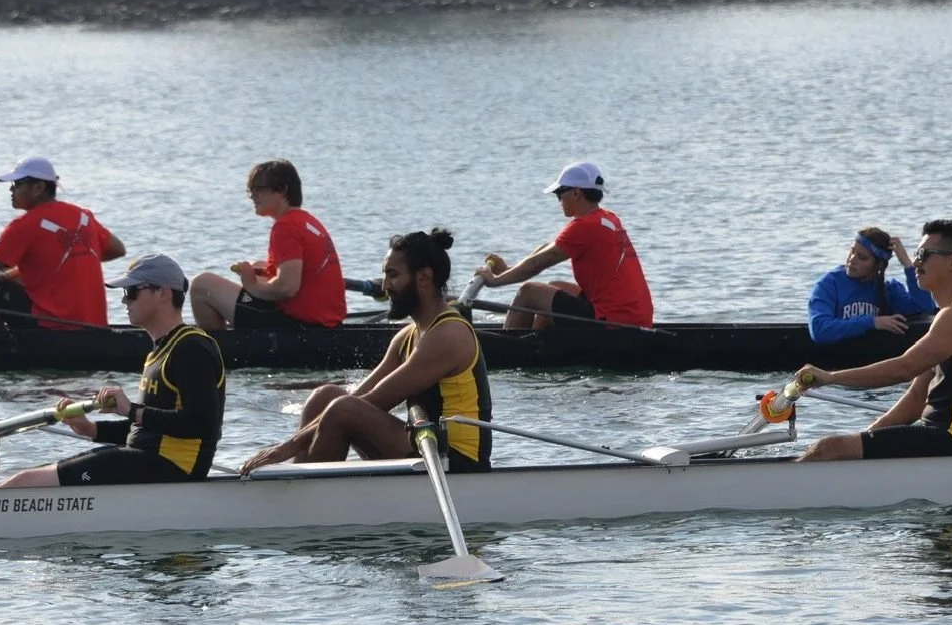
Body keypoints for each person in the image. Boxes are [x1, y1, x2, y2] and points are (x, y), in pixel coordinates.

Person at [240, 229, 492, 474]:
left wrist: (289, 445)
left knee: (343, 410)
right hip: (425, 444)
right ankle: (301, 483)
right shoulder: (407, 336)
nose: (385, 285)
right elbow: (364, 392)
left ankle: (312, 502)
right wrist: (293, 443)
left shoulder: (448, 335)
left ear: (423, 278)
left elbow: (379, 399)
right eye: (385, 275)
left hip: (457, 461)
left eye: (393, 275)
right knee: (324, 396)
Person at [0, 254, 223, 487]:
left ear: (163, 293)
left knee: (25, 482)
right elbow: (149, 428)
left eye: (132, 292)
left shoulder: (191, 348)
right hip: (148, 460)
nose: (125, 301)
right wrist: (90, 428)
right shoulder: (160, 351)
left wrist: (130, 410)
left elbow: (201, 422)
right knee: (30, 478)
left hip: (173, 468)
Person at [795, 220, 952, 461]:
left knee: (827, 449)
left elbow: (905, 368)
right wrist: (867, 437)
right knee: (839, 448)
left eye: (924, 254)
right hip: (938, 436)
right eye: (916, 254)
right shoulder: (948, 316)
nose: (916, 262)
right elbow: (916, 400)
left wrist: (830, 378)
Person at [0, 157, 126, 330]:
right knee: (4, 277)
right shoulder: (83, 216)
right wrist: (68, 263)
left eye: (17, 184)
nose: (11, 190)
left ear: (38, 187)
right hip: (93, 325)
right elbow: (118, 249)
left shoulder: (24, 226)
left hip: (52, 327)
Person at [476, 161, 653, 329]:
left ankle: (509, 353)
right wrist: (508, 269)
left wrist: (495, 281)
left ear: (576, 193)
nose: (558, 200)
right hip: (635, 316)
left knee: (528, 291)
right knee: (554, 287)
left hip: (615, 323)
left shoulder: (585, 226)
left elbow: (539, 263)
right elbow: (548, 248)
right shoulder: (607, 218)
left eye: (560, 193)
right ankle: (536, 346)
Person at [189, 159, 347, 331]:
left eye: (258, 189)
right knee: (259, 268)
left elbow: (287, 288)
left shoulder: (285, 227)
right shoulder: (308, 221)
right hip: (325, 323)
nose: (252, 196)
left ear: (282, 190)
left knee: (201, 285)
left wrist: (252, 285)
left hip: (297, 328)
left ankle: (219, 350)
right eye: (250, 191)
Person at [807, 227, 936, 343]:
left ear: (878, 265)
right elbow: (819, 330)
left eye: (862, 257)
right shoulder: (829, 284)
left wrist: (908, 265)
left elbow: (925, 310)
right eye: (852, 252)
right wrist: (872, 322)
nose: (852, 259)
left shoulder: (888, 289)